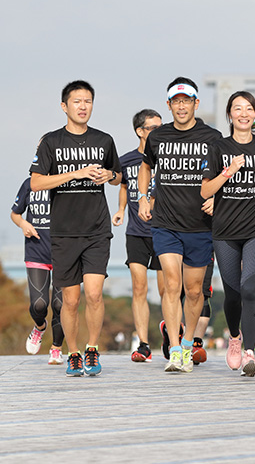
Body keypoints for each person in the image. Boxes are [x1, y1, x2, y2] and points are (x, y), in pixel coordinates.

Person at [30, 80, 121, 377]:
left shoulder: (104, 140)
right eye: (77, 101)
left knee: (94, 294)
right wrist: (76, 173)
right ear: (64, 106)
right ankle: (73, 352)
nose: (83, 107)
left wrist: (108, 174)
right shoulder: (51, 142)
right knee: (70, 299)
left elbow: (118, 176)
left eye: (88, 101)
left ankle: (92, 348)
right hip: (64, 232)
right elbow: (36, 182)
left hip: (96, 229)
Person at [138, 77, 222, 373]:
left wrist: (218, 199)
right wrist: (143, 198)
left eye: (187, 101)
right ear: (169, 105)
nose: (182, 106)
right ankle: (174, 348)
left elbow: (223, 175)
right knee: (171, 284)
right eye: (176, 101)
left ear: (196, 104)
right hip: (166, 223)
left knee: (195, 290)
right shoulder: (158, 137)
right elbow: (146, 166)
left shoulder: (213, 137)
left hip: (200, 225)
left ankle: (188, 344)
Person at [201, 91, 255, 377]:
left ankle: (250, 352)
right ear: (230, 115)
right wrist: (228, 172)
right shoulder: (218, 147)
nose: (244, 113)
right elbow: (205, 190)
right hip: (225, 231)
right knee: (234, 293)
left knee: (250, 288)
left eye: (249, 108)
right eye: (238, 108)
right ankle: (234, 337)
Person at [112, 109, 164, 363]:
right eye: (153, 128)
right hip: (136, 233)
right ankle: (143, 343)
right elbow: (123, 184)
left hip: (165, 231)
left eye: (160, 127)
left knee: (168, 289)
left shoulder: (166, 159)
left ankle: (171, 333)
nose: (159, 132)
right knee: (140, 287)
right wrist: (121, 209)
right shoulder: (128, 160)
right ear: (140, 132)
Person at [10, 172, 64, 364]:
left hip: (63, 252)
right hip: (36, 251)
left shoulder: (66, 181)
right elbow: (15, 214)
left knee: (60, 304)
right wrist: (23, 223)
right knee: (39, 304)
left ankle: (57, 348)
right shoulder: (29, 184)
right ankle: (39, 327)